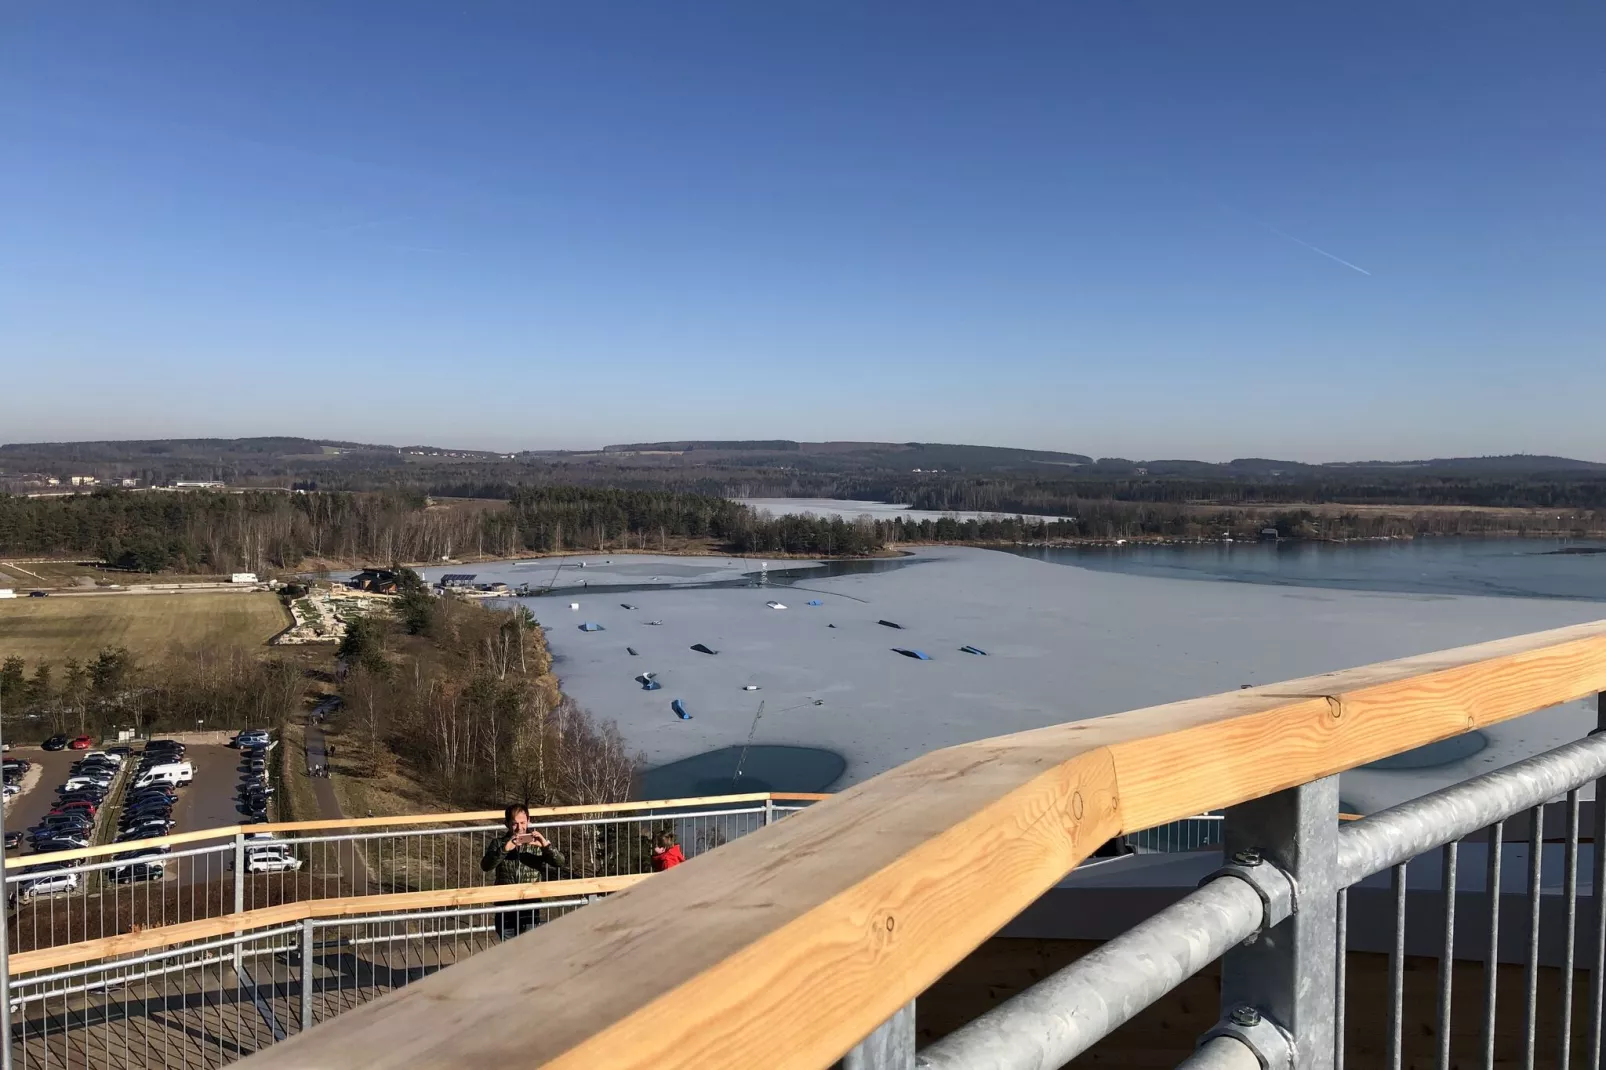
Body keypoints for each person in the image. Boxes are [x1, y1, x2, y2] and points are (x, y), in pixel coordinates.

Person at [481, 803, 566, 940]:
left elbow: (560, 862)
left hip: (530, 906)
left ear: (529, 821)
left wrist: (546, 846)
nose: (520, 828)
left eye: (523, 822)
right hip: (505, 905)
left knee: (529, 949)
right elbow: (485, 866)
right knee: (507, 949)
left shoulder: (537, 844)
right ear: (507, 824)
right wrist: (505, 849)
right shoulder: (498, 843)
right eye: (515, 824)